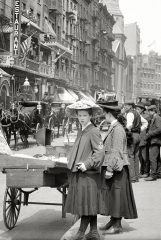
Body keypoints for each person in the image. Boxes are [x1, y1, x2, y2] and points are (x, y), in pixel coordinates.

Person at [65, 102, 104, 240]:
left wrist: (87, 164)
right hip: (80, 173)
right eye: (79, 115)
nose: (81, 118)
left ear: (90, 115)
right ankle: (93, 232)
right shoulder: (82, 130)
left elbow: (99, 153)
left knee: (85, 204)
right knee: (89, 203)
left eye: (84, 115)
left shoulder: (93, 131)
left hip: (88, 175)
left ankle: (80, 233)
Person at [99, 103, 138, 235]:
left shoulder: (118, 129)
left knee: (117, 196)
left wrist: (110, 169)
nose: (104, 116)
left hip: (116, 168)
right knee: (114, 196)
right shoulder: (115, 127)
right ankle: (114, 221)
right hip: (116, 167)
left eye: (105, 113)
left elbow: (116, 151)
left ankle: (117, 225)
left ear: (109, 114)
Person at [123, 100, 141, 183]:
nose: (125, 107)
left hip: (132, 135)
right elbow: (145, 123)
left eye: (126, 105)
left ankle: (132, 177)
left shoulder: (129, 114)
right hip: (137, 135)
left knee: (130, 156)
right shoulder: (137, 113)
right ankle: (137, 176)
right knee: (136, 156)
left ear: (130, 106)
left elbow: (129, 124)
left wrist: (126, 131)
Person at [144, 105, 161, 181]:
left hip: (155, 140)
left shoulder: (157, 118)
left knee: (152, 158)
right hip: (155, 140)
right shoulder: (155, 118)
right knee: (157, 158)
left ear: (152, 111)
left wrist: (150, 133)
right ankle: (158, 173)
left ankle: (153, 175)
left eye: (148, 111)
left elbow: (159, 129)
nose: (148, 113)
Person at [135, 104, 149, 178]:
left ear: (142, 109)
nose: (137, 110)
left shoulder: (146, 117)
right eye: (136, 108)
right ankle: (142, 171)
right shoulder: (137, 116)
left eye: (138, 109)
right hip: (139, 139)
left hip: (143, 138)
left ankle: (146, 172)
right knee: (140, 157)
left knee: (144, 156)